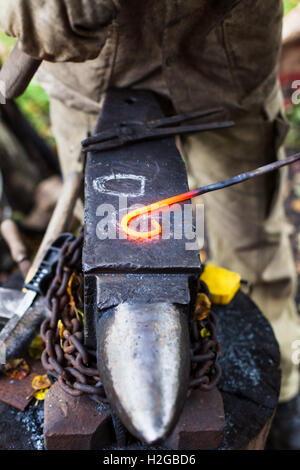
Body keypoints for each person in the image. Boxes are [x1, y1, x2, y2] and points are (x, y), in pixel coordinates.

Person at [0, 0, 299, 449]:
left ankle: (287, 393)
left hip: (226, 60)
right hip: (92, 75)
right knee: (95, 245)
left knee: (252, 241)